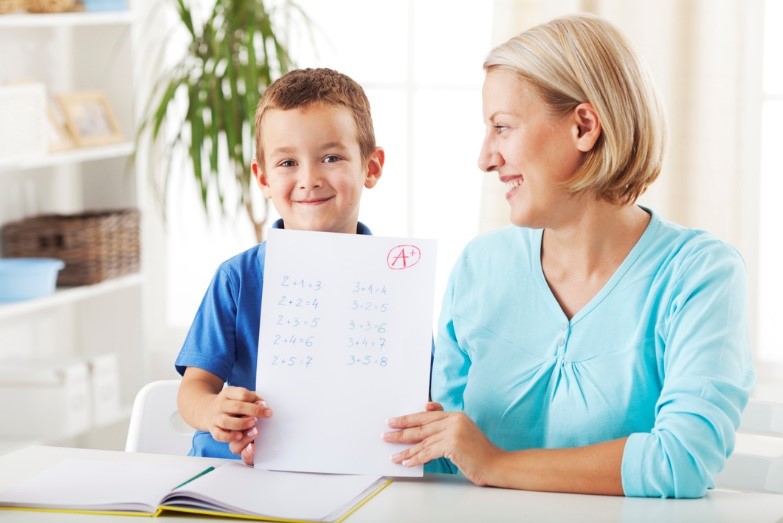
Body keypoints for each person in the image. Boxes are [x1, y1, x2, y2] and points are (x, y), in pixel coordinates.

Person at [382, 13, 755, 499]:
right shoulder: (479, 267)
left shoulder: (700, 274)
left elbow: (681, 461)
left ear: (584, 127)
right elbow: (447, 461)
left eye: (502, 127)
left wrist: (496, 463)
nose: (485, 157)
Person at [175, 68, 384, 465]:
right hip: (231, 474)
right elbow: (194, 389)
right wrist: (212, 412)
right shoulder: (236, 279)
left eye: (331, 157)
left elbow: (418, 393)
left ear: (370, 167)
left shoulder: (396, 283)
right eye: (287, 162)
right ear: (263, 177)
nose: (309, 179)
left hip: (348, 474)